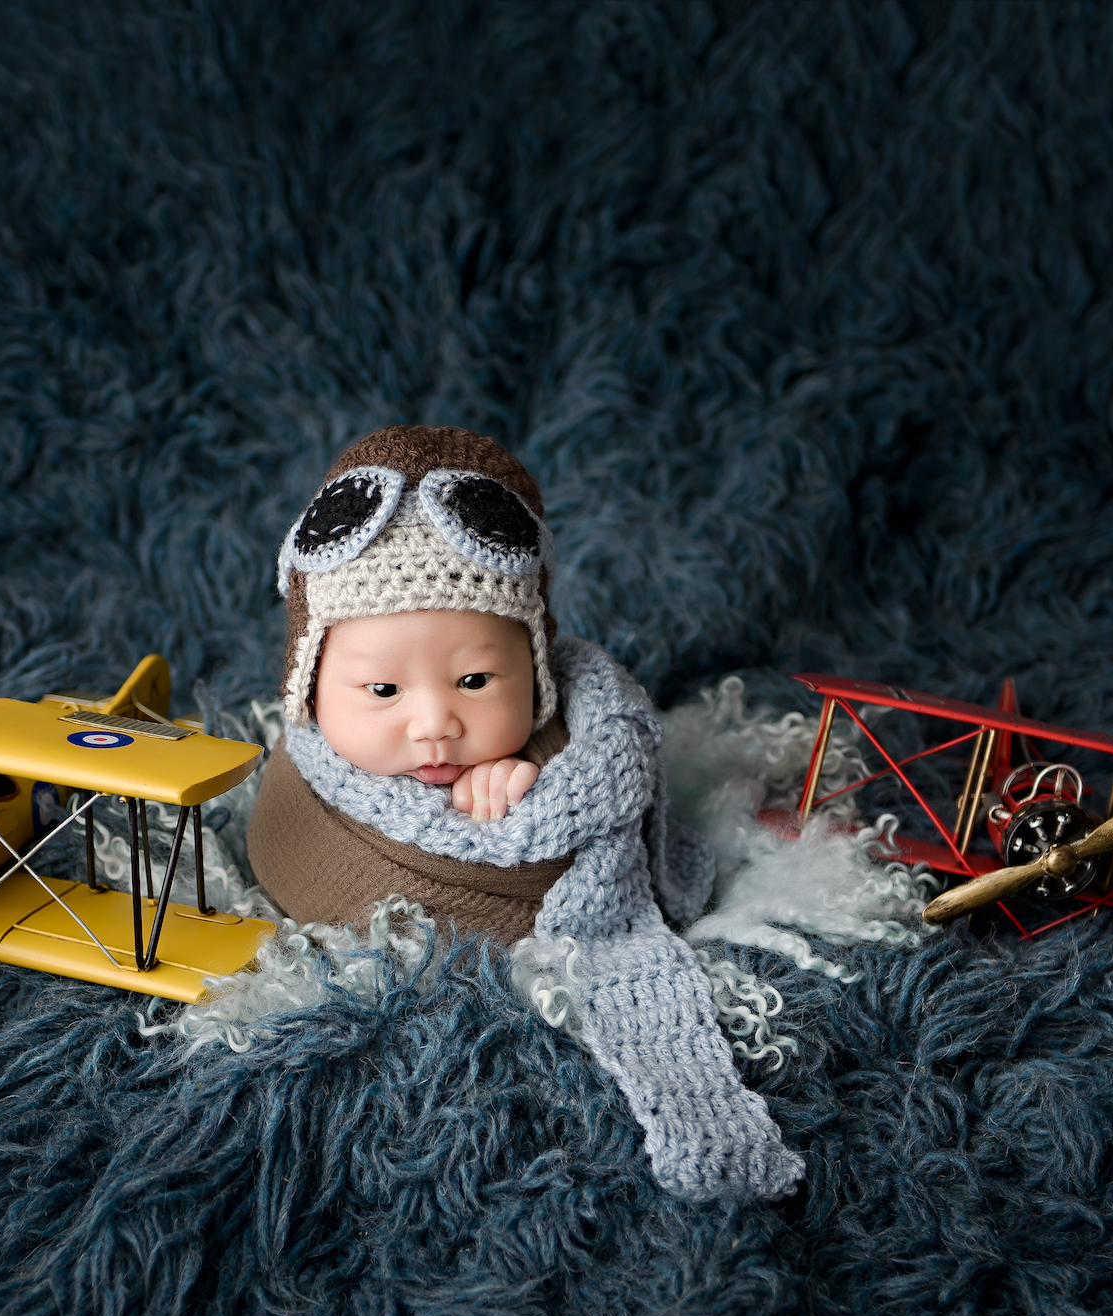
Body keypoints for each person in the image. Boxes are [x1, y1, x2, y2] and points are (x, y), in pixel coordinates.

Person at [247, 424, 803, 1202]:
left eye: (476, 679)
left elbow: (565, 745)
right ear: (307, 689)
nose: (435, 721)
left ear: (536, 673)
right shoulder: (304, 787)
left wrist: (532, 769)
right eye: (382, 691)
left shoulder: (578, 744)